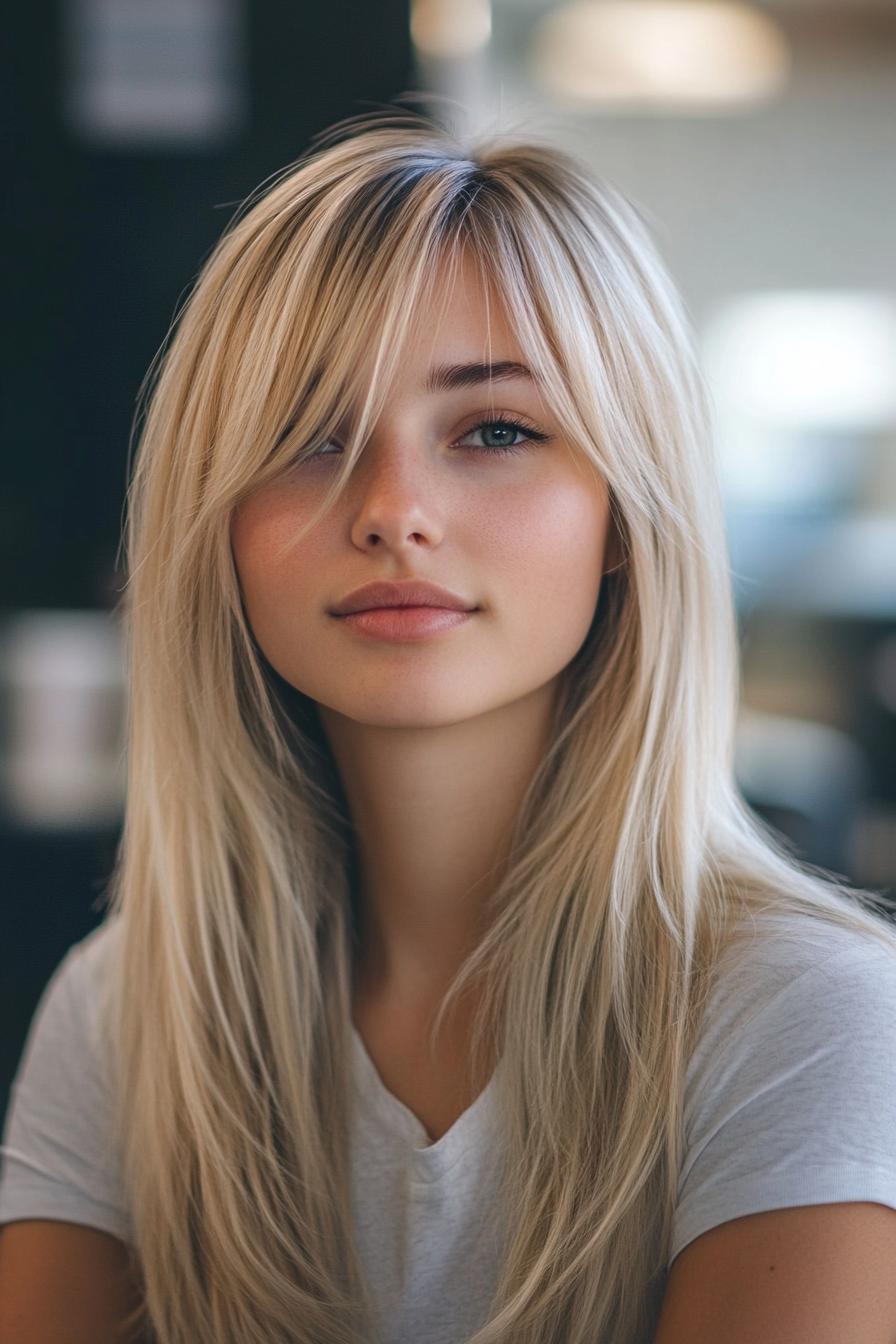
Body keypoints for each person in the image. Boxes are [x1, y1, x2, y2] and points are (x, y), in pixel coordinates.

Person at [1, 106, 896, 1344]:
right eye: (308, 435)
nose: (392, 510)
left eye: (494, 431)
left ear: (625, 518)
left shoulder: (810, 1016)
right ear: (217, 529)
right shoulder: (125, 1013)